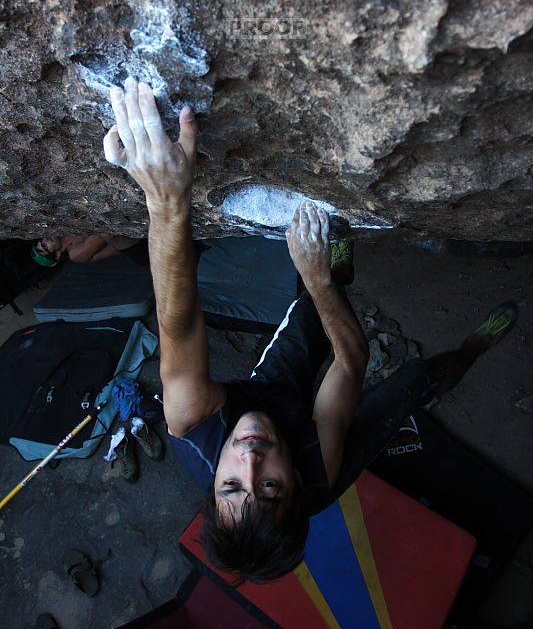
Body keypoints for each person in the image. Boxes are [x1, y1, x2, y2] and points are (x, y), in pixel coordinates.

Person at [103, 77, 518, 584]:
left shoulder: (191, 425)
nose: (250, 460)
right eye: (270, 488)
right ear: (296, 483)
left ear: (214, 484)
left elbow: (179, 321)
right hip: (316, 434)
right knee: (413, 382)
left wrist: (166, 201)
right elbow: (352, 361)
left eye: (233, 485)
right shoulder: (318, 465)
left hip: (268, 393)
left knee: (312, 313)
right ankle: (472, 349)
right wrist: (315, 280)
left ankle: (338, 261)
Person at [34, 235, 148, 265]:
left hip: (128, 238)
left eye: (41, 242)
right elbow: (101, 234)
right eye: (45, 247)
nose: (45, 241)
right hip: (137, 250)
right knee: (107, 234)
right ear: (57, 255)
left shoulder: (63, 231)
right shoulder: (76, 254)